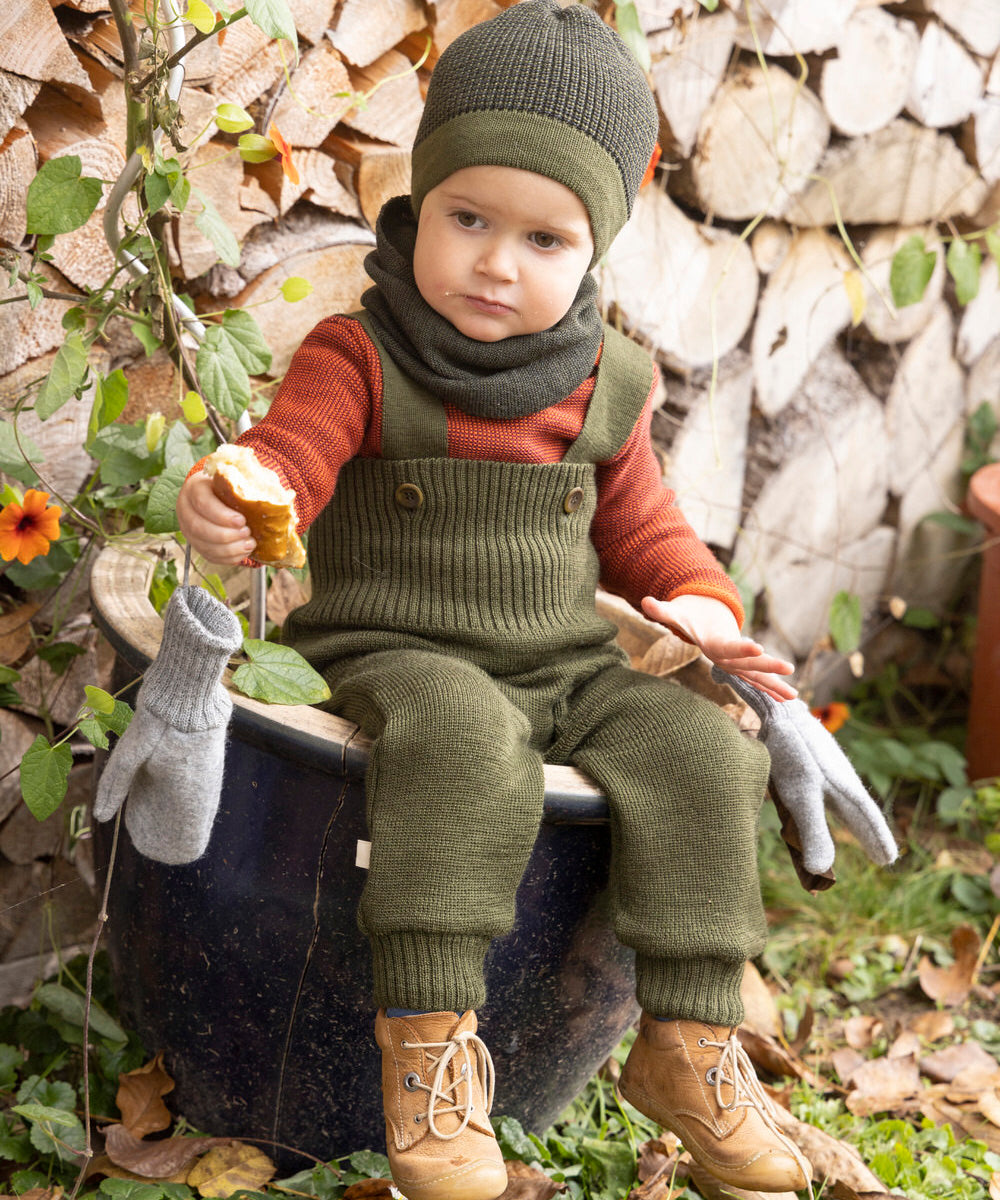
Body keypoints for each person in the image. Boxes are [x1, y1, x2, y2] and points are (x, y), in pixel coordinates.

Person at [176, 3, 814, 1196]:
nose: (495, 263)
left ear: (595, 250)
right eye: (468, 219)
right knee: (464, 743)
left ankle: (686, 1042)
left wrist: (700, 604)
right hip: (396, 645)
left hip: (564, 660)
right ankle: (426, 1052)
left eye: (543, 239)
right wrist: (244, 488)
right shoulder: (359, 355)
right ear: (420, 204)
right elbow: (292, 453)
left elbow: (648, 532)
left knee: (699, 754)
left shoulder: (603, 381)